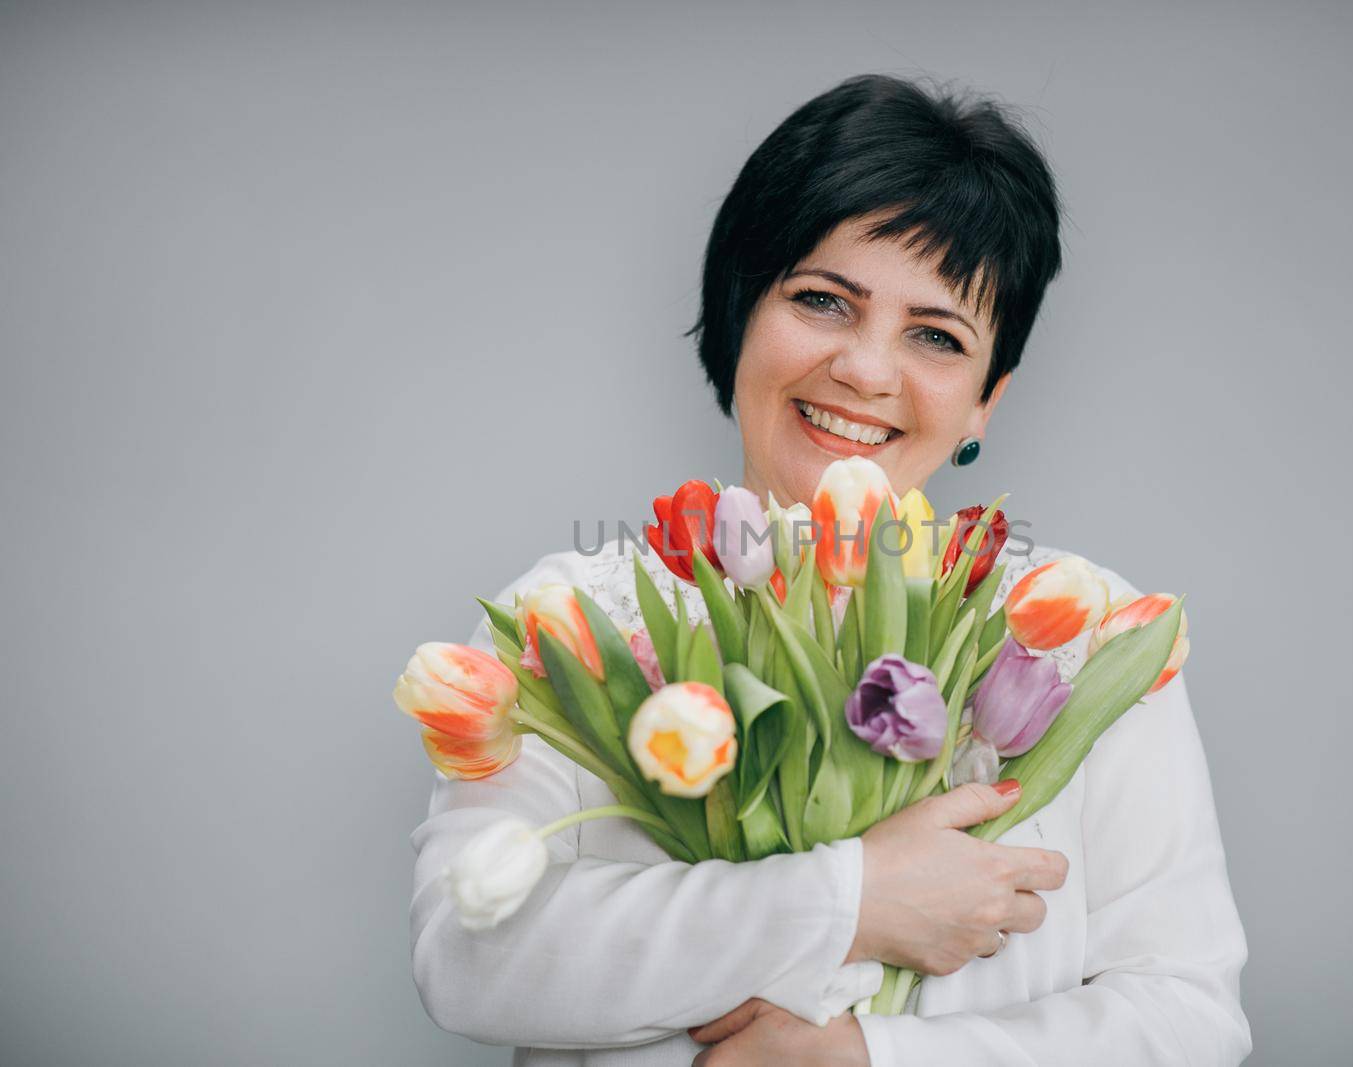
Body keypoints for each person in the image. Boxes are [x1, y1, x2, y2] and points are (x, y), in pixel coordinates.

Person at [409, 73, 1251, 1066]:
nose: (865, 369)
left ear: (987, 397)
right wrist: (851, 898)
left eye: (936, 335)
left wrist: (863, 1058)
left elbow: (1188, 1017)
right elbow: (470, 959)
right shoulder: (569, 617)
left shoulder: (1071, 632)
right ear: (737, 310)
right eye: (820, 300)